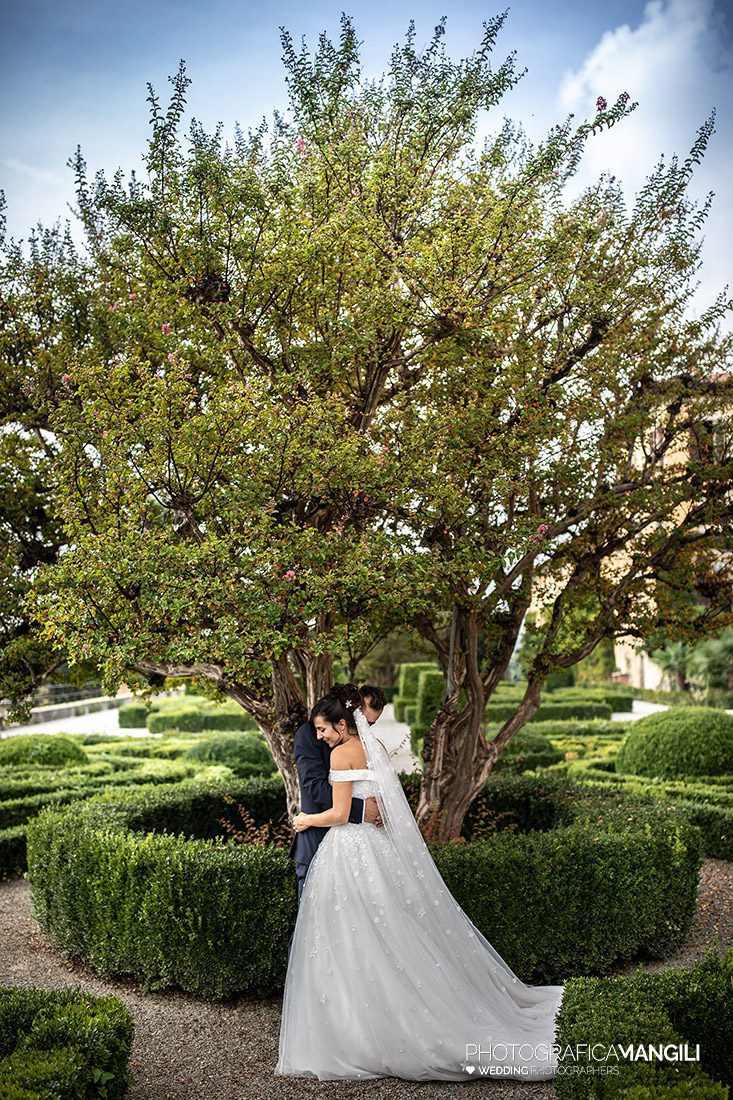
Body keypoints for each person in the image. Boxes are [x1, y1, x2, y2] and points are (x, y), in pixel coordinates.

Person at [276, 683, 564, 1082]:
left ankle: (360, 1030)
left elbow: (335, 811)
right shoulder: (371, 746)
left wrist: (306, 819)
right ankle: (363, 1020)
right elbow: (370, 799)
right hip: (376, 849)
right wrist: (366, 811)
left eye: (324, 729)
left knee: (352, 934)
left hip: (348, 850)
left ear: (341, 724)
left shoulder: (342, 752)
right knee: (375, 932)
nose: (320, 736)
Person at [289, 684, 385, 904]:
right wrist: (363, 810)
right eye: (361, 719)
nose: (363, 727)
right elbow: (314, 787)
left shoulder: (367, 746)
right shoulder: (310, 735)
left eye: (370, 724)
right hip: (317, 840)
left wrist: (382, 808)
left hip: (365, 846)